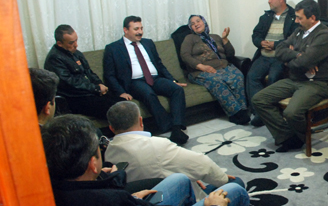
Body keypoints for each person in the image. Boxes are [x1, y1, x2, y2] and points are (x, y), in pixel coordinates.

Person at [42, 114, 250, 206]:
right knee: (235, 191)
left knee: (180, 179)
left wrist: (126, 194)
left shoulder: (54, 190)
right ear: (92, 164)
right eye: (99, 147)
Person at [105, 101, 244, 200]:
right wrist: (223, 180)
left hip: (142, 201)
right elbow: (202, 164)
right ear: (141, 121)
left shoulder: (108, 152)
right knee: (236, 184)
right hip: (173, 202)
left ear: (111, 128)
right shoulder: (156, 145)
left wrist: (190, 178)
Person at [252, 0, 328, 152]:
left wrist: (290, 60)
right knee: (259, 99)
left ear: (312, 18)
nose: (296, 21)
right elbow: (280, 50)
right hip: (295, 79)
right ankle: (289, 136)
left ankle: (297, 138)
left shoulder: (324, 35)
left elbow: (303, 62)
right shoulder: (299, 31)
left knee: (291, 112)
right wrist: (297, 55)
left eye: (299, 18)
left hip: (317, 83)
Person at [103, 15, 189, 145]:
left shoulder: (148, 43)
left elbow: (159, 64)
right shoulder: (113, 48)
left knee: (176, 89)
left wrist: (172, 80)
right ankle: (168, 126)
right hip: (135, 82)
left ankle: (177, 127)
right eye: (136, 29)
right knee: (148, 94)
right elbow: (109, 75)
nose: (140, 32)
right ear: (125, 30)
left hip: (155, 78)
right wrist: (121, 92)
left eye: (141, 28)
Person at [180, 14, 249, 125]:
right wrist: (202, 66)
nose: (196, 24)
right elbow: (185, 55)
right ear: (190, 27)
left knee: (238, 76)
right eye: (192, 24)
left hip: (223, 66)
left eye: (198, 21)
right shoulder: (190, 38)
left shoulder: (215, 37)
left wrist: (225, 39)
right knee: (217, 81)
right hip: (200, 71)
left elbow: (230, 54)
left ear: (204, 22)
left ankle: (243, 109)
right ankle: (235, 114)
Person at [44, 24, 124, 119]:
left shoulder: (76, 53)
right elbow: (69, 83)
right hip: (74, 98)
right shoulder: (54, 58)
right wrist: (96, 88)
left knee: (123, 103)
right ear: (60, 43)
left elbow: (89, 72)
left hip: (89, 92)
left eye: (76, 40)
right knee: (116, 110)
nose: (76, 45)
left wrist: (99, 84)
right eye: (71, 43)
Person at [247, 0, 299, 127]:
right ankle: (260, 113)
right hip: (264, 56)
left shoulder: (293, 16)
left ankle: (270, 113)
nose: (268, 1)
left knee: (274, 77)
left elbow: (294, 38)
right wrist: (260, 42)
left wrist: (275, 45)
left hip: (280, 57)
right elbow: (255, 35)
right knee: (252, 76)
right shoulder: (266, 16)